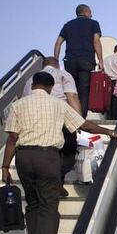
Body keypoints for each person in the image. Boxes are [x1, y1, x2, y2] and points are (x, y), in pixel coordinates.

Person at [2, 71, 117, 234]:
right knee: (49, 208)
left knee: (32, 205)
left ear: (33, 86)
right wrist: (108, 132)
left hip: (24, 157)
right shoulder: (58, 104)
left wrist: (5, 167)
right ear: (50, 87)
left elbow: (12, 138)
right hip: (48, 158)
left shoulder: (18, 105)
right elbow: (83, 124)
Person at [22, 57, 82, 188]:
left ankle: (48, 181)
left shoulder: (30, 79)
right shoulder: (63, 74)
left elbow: (24, 101)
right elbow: (72, 96)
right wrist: (78, 121)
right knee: (68, 151)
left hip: (34, 122)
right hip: (59, 117)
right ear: (58, 65)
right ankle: (56, 179)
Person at [54, 4, 104, 118]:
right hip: (86, 61)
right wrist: (100, 60)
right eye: (90, 12)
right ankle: (81, 119)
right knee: (84, 91)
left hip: (70, 61)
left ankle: (70, 116)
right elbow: (96, 41)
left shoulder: (68, 25)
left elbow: (58, 42)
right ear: (85, 12)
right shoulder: (93, 23)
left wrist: (56, 60)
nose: (92, 15)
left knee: (70, 89)